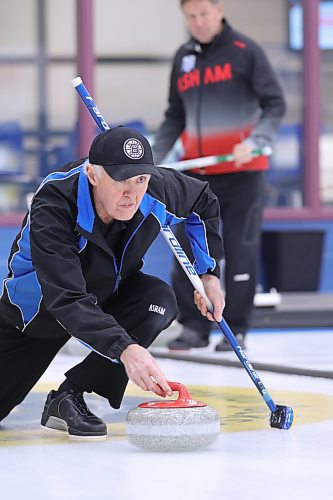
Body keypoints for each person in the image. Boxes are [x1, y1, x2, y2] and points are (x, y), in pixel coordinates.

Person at [0, 125, 224, 440]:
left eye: (141, 180)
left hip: (110, 293)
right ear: (93, 175)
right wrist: (126, 349)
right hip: (39, 313)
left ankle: (70, 396)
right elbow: (66, 298)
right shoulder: (54, 203)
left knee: (158, 300)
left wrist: (208, 273)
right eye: (121, 181)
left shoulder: (154, 188)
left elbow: (204, 201)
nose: (132, 193)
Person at [152, 0, 286, 352]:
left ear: (219, 10)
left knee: (241, 250)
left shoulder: (245, 51)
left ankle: (236, 328)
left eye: (203, 14)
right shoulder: (183, 58)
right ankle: (194, 326)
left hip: (243, 173)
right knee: (190, 248)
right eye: (190, 17)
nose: (198, 23)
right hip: (196, 176)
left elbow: (275, 104)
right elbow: (174, 115)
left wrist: (256, 141)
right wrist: (152, 159)